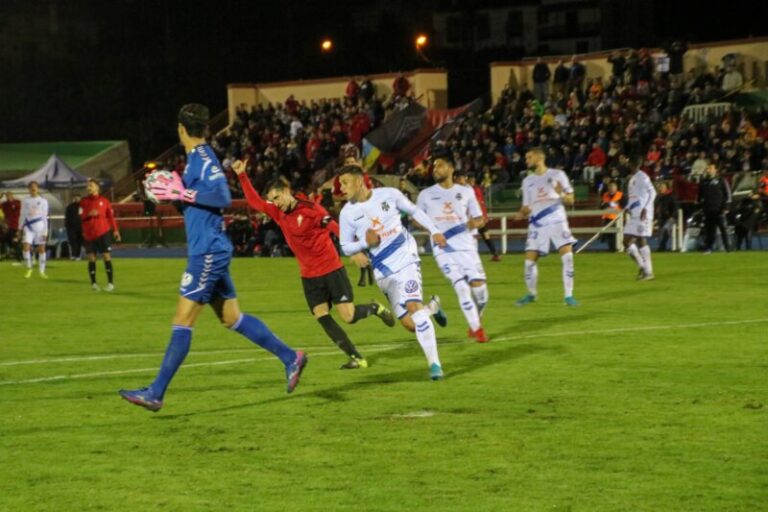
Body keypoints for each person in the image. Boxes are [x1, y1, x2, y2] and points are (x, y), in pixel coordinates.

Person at [119, 103, 307, 412]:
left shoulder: (204, 158)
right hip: (209, 247)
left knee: (182, 320)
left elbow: (222, 197)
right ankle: (291, 357)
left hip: (207, 251)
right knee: (232, 318)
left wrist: (183, 195)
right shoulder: (195, 161)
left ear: (181, 129)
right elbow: (198, 205)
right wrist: (173, 198)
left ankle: (155, 393)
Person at [233, 160, 395, 369]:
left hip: (331, 269)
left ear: (286, 191)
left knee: (349, 316)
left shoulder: (311, 209)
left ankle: (374, 308)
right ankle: (356, 357)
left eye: (277, 197)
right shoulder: (278, 212)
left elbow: (334, 226)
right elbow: (255, 202)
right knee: (321, 315)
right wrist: (242, 175)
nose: (276, 202)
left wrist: (354, 251)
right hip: (309, 276)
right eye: (272, 200)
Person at [337, 165, 448, 380]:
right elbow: (345, 246)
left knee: (413, 306)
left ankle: (435, 366)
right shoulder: (347, 213)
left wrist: (434, 230)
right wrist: (363, 243)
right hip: (382, 267)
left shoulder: (389, 194)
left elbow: (414, 211)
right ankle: (433, 307)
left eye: (345, 183)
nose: (341, 188)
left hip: (405, 255)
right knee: (409, 324)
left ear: (359, 182)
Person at [417, 153, 489, 343]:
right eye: (434, 167)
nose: (435, 169)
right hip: (443, 248)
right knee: (462, 288)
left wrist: (473, 224)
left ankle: (476, 316)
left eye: (439, 166)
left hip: (467, 247)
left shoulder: (466, 192)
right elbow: (416, 220)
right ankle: (477, 330)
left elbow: (480, 219)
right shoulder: (425, 195)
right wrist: (432, 230)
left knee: (481, 292)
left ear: (451, 169)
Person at [514, 147, 578, 307]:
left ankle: (568, 296)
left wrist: (561, 193)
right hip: (537, 225)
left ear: (539, 157)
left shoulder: (557, 175)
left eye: (529, 157)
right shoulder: (527, 181)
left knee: (568, 257)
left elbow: (571, 200)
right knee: (529, 262)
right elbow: (527, 206)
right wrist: (520, 214)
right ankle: (531, 294)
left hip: (557, 221)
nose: (526, 160)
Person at [79, 179, 121, 291]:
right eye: (87, 186)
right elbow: (80, 217)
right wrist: (88, 214)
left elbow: (111, 217)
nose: (88, 188)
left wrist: (116, 230)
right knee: (91, 258)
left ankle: (110, 283)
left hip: (103, 232)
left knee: (106, 256)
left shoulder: (105, 201)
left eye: (91, 186)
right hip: (89, 234)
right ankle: (93, 284)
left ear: (97, 187)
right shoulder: (83, 202)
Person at [623, 158, 658, 280]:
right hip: (634, 214)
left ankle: (648, 272)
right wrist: (627, 207)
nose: (629, 166)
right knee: (626, 242)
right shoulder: (632, 179)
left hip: (643, 214)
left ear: (636, 164)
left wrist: (646, 208)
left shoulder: (643, 177)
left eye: (630, 164)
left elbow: (653, 193)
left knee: (640, 239)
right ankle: (642, 267)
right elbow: (633, 198)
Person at [455, 173, 501, 261]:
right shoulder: (473, 188)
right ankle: (494, 253)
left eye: (473, 180)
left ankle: (492, 253)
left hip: (474, 216)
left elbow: (478, 202)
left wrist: (481, 215)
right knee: (484, 234)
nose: (472, 181)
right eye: (471, 180)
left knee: (480, 235)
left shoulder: (469, 189)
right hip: (476, 215)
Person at [698, 164, 732, 253]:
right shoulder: (704, 182)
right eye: (707, 168)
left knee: (723, 229)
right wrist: (700, 205)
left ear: (715, 170)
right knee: (709, 231)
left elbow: (728, 195)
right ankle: (708, 248)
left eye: (710, 168)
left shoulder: (721, 180)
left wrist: (726, 207)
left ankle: (728, 248)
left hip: (719, 209)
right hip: (708, 210)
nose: (708, 170)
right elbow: (700, 196)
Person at [19, 181, 49, 279]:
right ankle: (29, 268)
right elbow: (22, 214)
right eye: (31, 187)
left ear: (38, 188)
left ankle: (42, 271)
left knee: (41, 249)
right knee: (26, 247)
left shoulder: (43, 201)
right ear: (28, 189)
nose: (33, 188)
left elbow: (45, 217)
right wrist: (20, 228)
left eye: (35, 187)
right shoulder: (25, 201)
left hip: (40, 227)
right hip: (28, 226)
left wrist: (45, 231)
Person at [655, 181, 679, 252]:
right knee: (661, 231)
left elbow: (675, 208)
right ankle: (662, 246)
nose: (660, 188)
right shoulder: (658, 197)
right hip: (661, 218)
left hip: (670, 217)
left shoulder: (671, 196)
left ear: (666, 187)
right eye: (659, 187)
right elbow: (656, 208)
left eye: (662, 187)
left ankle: (662, 246)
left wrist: (672, 217)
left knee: (665, 229)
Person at [600, 180, 623, 252]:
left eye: (613, 186)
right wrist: (604, 205)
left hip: (616, 218)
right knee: (609, 234)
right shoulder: (605, 195)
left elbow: (623, 205)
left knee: (614, 234)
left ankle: (615, 248)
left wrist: (609, 204)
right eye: (610, 187)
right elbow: (601, 206)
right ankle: (611, 248)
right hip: (607, 217)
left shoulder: (620, 195)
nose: (611, 188)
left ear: (616, 187)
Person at [1, 191, 21, 261]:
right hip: (8, 226)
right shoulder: (4, 204)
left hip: (16, 226)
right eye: (7, 196)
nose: (8, 197)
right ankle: (12, 254)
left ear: (12, 196)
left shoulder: (17, 202)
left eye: (9, 195)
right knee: (6, 240)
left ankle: (19, 256)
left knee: (14, 241)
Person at [65, 194, 83, 260]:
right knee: (73, 241)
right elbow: (67, 218)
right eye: (76, 198)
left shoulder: (82, 207)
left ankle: (78, 256)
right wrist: (67, 226)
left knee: (79, 242)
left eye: (78, 198)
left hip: (80, 227)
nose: (77, 199)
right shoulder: (69, 207)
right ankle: (73, 255)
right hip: (71, 228)